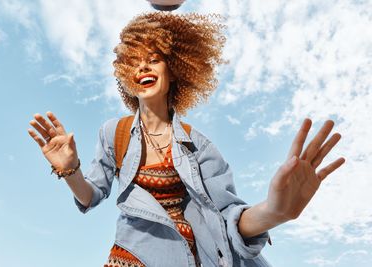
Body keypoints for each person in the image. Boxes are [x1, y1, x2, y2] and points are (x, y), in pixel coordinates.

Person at [28, 12, 345, 267]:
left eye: (154, 57)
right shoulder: (115, 133)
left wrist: (276, 211)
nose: (143, 65)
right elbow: (90, 196)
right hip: (131, 254)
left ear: (174, 68)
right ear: (124, 73)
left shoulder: (200, 146)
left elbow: (228, 220)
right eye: (133, 59)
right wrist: (70, 169)